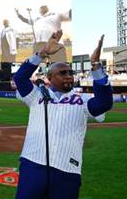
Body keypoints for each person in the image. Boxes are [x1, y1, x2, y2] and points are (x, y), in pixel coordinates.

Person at [13, 32, 113, 199]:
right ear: (50, 77)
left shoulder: (82, 100)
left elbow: (104, 103)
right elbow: (20, 77)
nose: (68, 76)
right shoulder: (36, 95)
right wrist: (42, 53)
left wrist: (95, 65)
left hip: (66, 170)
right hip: (33, 164)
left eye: (69, 73)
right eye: (63, 73)